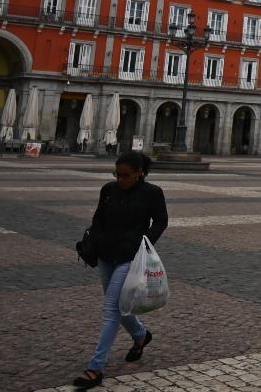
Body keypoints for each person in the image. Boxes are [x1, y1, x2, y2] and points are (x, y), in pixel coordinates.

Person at [73, 151, 168, 389]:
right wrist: (93, 242)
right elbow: (98, 219)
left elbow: (161, 221)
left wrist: (144, 243)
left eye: (125, 175)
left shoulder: (152, 193)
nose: (120, 179)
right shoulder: (109, 190)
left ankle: (95, 368)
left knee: (111, 309)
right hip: (106, 255)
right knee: (121, 305)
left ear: (139, 173)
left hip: (130, 257)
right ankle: (141, 336)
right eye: (117, 174)